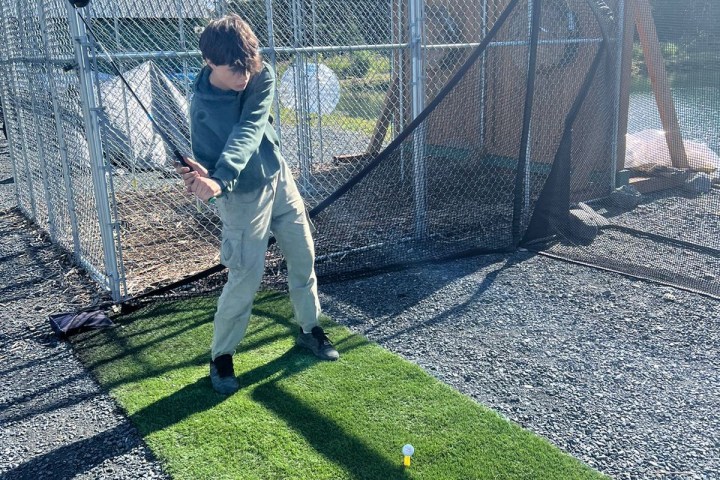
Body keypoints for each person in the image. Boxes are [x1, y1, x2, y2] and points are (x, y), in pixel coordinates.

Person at [176, 14, 339, 395]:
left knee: (303, 256)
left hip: (279, 180)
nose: (244, 76)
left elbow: (250, 127)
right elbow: (213, 155)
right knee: (245, 277)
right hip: (242, 196)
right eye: (235, 69)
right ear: (210, 63)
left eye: (248, 65)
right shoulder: (201, 103)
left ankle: (310, 328)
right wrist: (205, 178)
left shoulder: (258, 73)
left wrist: (218, 174)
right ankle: (221, 356)